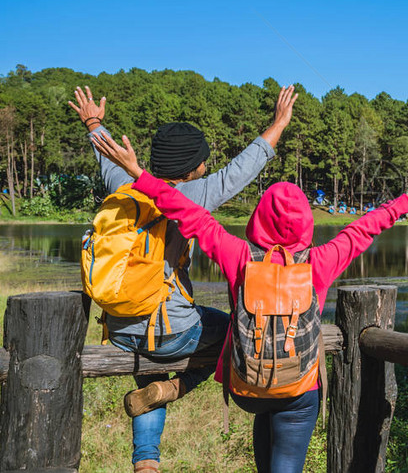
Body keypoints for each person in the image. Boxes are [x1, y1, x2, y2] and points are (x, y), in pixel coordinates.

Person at [90, 129, 408, 473]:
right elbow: (367, 226)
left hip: (248, 390)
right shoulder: (320, 261)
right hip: (298, 392)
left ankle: (180, 388)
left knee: (265, 437)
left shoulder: (238, 256)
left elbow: (187, 213)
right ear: (307, 224)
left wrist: (137, 172)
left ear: (259, 218)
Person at [69, 84, 298, 473]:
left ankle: (146, 463)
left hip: (121, 328)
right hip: (170, 331)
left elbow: (108, 159)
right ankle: (176, 388)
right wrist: (279, 124)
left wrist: (94, 123)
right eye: (203, 160)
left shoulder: (125, 187)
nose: (207, 166)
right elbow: (241, 170)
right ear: (191, 167)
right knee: (233, 331)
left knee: (155, 356)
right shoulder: (192, 193)